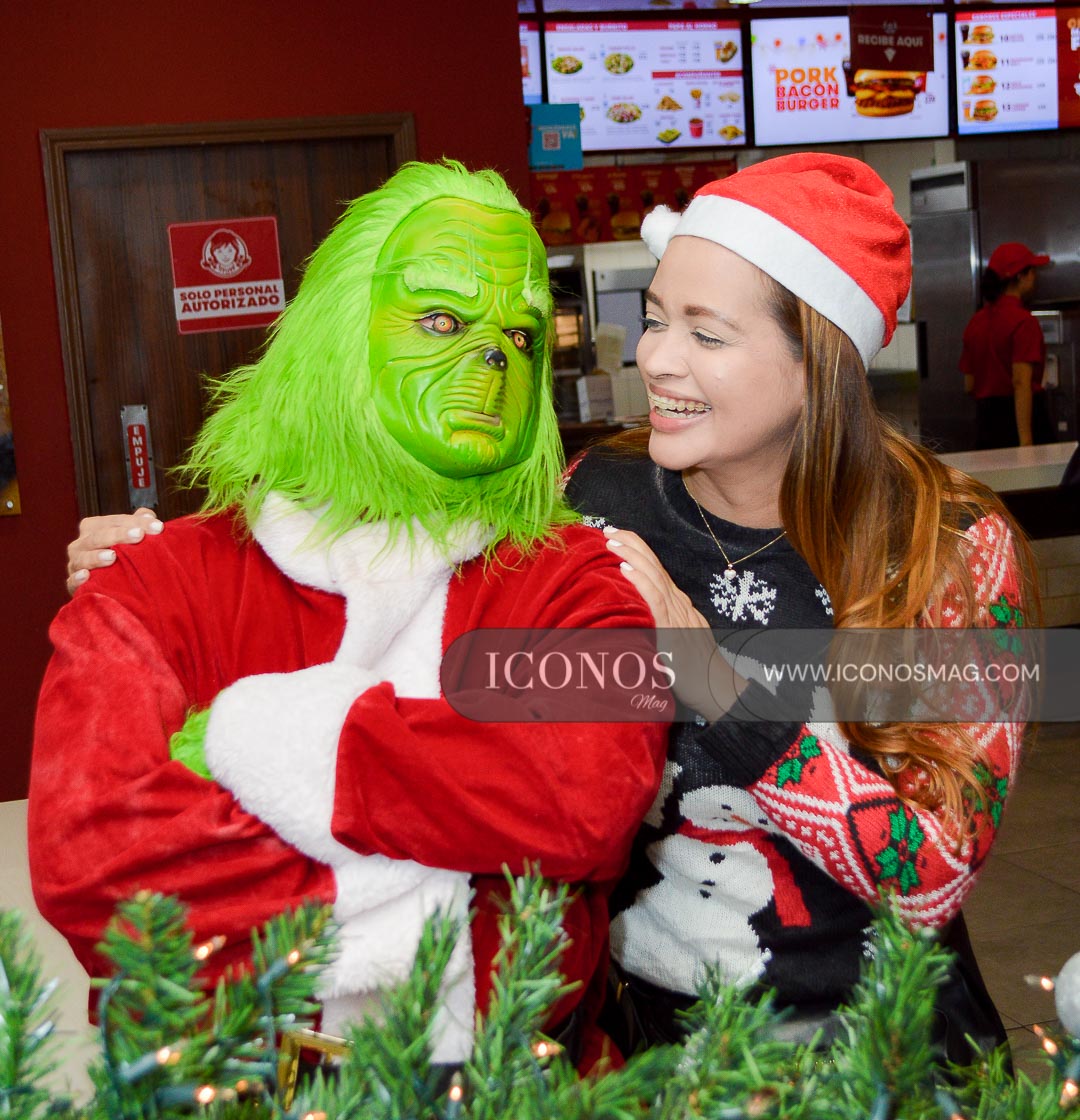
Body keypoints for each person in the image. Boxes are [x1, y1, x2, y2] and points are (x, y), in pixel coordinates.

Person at [66, 154, 1035, 1067]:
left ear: (818, 362)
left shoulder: (946, 546)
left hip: (885, 1064)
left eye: (706, 334)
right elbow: (388, 567)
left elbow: (933, 877)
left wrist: (716, 684)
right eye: (655, 318)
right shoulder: (594, 496)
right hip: (642, 1059)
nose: (656, 359)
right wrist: (164, 568)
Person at [31, 160, 668, 1073]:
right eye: (442, 320)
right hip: (230, 1115)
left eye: (521, 335)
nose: (496, 358)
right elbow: (98, 862)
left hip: (523, 1109)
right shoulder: (155, 581)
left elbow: (582, 800)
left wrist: (292, 742)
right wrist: (454, 860)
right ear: (338, 333)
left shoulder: (573, 580)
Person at [960, 241, 1053, 449]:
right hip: (1020, 422)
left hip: (987, 425)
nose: (1035, 277)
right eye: (1032, 271)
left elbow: (969, 384)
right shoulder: (1023, 321)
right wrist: (1026, 442)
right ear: (1020, 276)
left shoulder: (976, 322)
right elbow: (1021, 382)